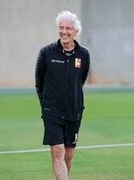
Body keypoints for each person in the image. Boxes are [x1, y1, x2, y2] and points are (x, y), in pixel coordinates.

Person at [35, 10, 90, 180]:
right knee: (57, 152)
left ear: (75, 31)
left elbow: (80, 80)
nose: (64, 31)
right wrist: (46, 106)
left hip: (74, 111)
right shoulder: (46, 53)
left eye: (68, 28)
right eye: (61, 27)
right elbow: (39, 82)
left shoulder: (84, 54)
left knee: (68, 155)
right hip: (52, 111)